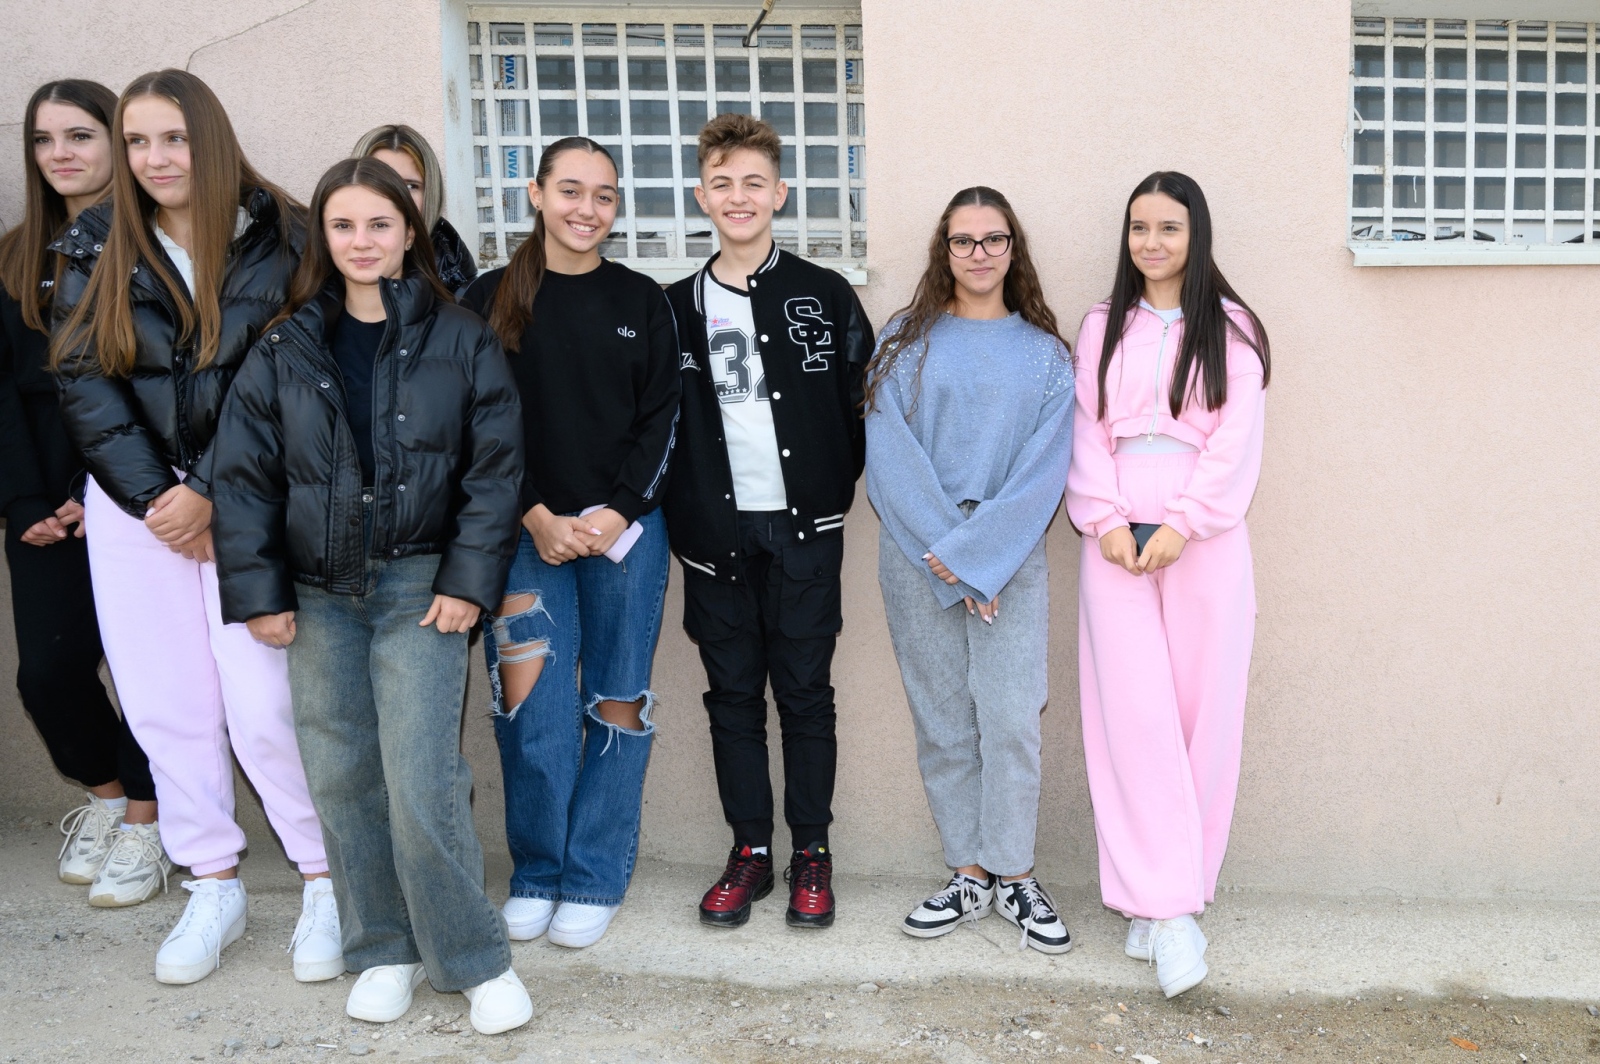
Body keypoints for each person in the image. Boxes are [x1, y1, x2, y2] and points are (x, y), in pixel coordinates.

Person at [209, 157, 531, 1033]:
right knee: (344, 777)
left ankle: (474, 960)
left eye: (380, 224)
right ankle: (383, 949)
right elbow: (243, 479)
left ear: (408, 233)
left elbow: (496, 471)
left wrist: (467, 581)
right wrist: (261, 592)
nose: (362, 241)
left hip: (421, 588)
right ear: (323, 235)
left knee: (423, 779)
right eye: (344, 225)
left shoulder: (461, 337)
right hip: (318, 596)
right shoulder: (284, 345)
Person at [50, 68, 339, 986]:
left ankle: (325, 878)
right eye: (136, 141)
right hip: (137, 510)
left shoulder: (287, 235)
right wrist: (156, 498)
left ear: (208, 138)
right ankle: (211, 881)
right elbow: (82, 380)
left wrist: (211, 487)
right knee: (165, 708)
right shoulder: (93, 241)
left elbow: (299, 368)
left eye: (172, 137)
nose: (154, 158)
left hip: (250, 499)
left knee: (266, 705)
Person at [462, 136, 679, 950]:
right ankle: (539, 871)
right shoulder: (488, 297)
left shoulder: (642, 299)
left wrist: (620, 511)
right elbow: (471, 423)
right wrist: (534, 515)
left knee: (617, 703)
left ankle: (594, 876)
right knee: (532, 709)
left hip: (627, 534)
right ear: (536, 193)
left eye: (604, 195)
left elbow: (664, 418)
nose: (587, 209)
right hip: (526, 536)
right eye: (571, 191)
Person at [662, 113, 872, 930]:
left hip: (804, 532)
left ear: (780, 193)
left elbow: (856, 408)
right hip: (714, 538)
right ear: (701, 196)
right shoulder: (674, 308)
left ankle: (812, 851)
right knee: (732, 699)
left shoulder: (825, 294)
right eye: (722, 184)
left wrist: (825, 494)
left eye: (754, 182)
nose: (739, 197)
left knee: (807, 696)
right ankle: (750, 850)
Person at [1066, 171, 1270, 998]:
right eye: (1139, 228)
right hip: (1114, 529)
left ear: (1196, 235)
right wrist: (1105, 518)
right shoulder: (1100, 325)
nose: (1152, 243)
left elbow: (1236, 440)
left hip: (1205, 533)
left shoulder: (1234, 328)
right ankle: (1165, 908)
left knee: (1201, 716)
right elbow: (1085, 427)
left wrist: (1185, 522)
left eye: (1169, 228)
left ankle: (1169, 902)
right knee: (1131, 716)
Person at [865, 186, 1075, 955]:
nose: (979, 253)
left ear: (1013, 249)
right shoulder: (904, 342)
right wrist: (950, 559)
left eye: (993, 239)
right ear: (944, 250)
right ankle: (969, 873)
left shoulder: (1046, 355)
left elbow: (1045, 469)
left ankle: (1015, 875)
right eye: (964, 241)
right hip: (917, 552)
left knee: (1012, 719)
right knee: (944, 721)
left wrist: (980, 560)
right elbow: (888, 455)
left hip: (1009, 560)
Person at [0, 79, 165, 906]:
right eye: (43, 139)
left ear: (116, 144)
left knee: (151, 673)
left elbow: (160, 388)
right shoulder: (14, 257)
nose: (59, 153)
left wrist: (102, 489)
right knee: (47, 674)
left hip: (134, 496)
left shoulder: (152, 248)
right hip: (40, 506)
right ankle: (105, 797)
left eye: (79, 135)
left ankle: (147, 819)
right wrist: (25, 502)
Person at [351, 124, 477, 295]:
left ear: (430, 193)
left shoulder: (456, 275)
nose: (397, 197)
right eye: (381, 183)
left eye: (411, 186)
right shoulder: (325, 266)